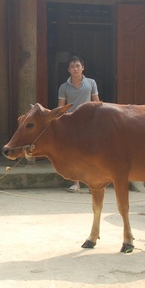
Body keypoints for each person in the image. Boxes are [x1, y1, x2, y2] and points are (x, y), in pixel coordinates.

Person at [57, 55, 100, 193]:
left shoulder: (91, 83)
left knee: (90, 154)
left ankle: (91, 184)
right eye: (72, 66)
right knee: (74, 154)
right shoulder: (63, 87)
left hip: (88, 122)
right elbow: (61, 108)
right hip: (72, 123)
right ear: (68, 70)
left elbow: (97, 102)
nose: (75, 69)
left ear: (83, 67)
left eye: (77, 66)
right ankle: (76, 183)